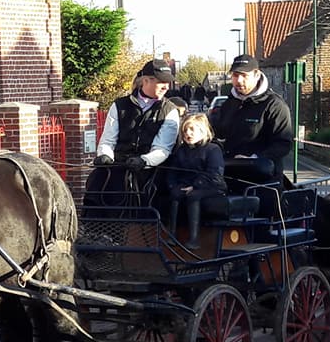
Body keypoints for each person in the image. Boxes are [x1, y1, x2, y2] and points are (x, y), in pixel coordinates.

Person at [86, 59, 180, 206]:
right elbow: (108, 140)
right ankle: (95, 226)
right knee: (97, 182)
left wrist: (144, 161)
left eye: (168, 83)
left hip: (151, 171)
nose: (166, 87)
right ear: (146, 81)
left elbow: (162, 149)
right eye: (162, 82)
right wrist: (105, 155)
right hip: (119, 166)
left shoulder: (170, 111)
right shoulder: (119, 105)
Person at [212, 54, 293, 186]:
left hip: (263, 182)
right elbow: (218, 133)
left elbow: (283, 143)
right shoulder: (229, 104)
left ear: (256, 75)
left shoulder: (274, 105)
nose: (239, 80)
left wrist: (254, 159)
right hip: (230, 177)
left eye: (244, 75)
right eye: (235, 75)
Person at [166, 113, 226, 247]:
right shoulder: (181, 150)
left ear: (202, 131)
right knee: (175, 194)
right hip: (186, 184)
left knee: (193, 196)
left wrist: (195, 185)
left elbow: (214, 173)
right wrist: (173, 186)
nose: (188, 133)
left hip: (212, 186)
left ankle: (194, 239)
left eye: (192, 130)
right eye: (185, 130)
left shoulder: (213, 149)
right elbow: (173, 171)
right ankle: (172, 234)